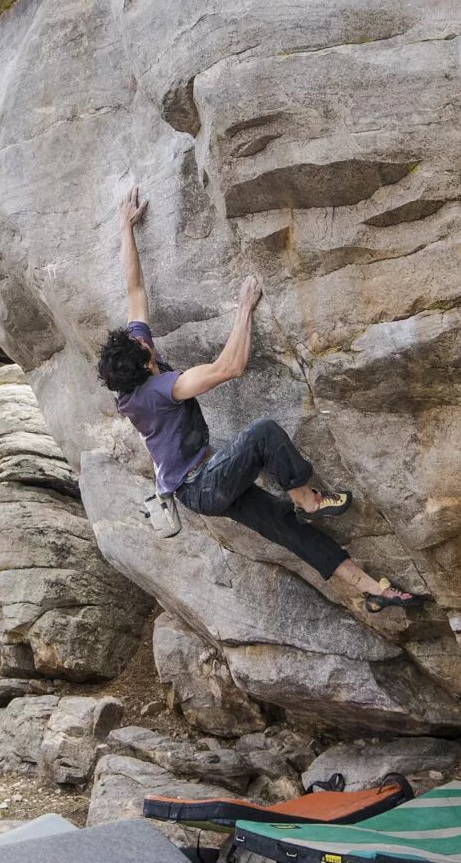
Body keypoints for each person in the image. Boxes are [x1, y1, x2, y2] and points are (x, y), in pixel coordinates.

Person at [101, 185, 427, 615]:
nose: (146, 342)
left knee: (287, 529)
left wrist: (126, 226)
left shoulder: (134, 366)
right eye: (145, 349)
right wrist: (243, 310)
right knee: (263, 434)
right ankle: (308, 499)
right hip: (203, 485)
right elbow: (227, 368)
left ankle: (372, 588)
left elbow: (134, 290)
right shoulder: (160, 389)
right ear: (144, 366)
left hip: (201, 488)